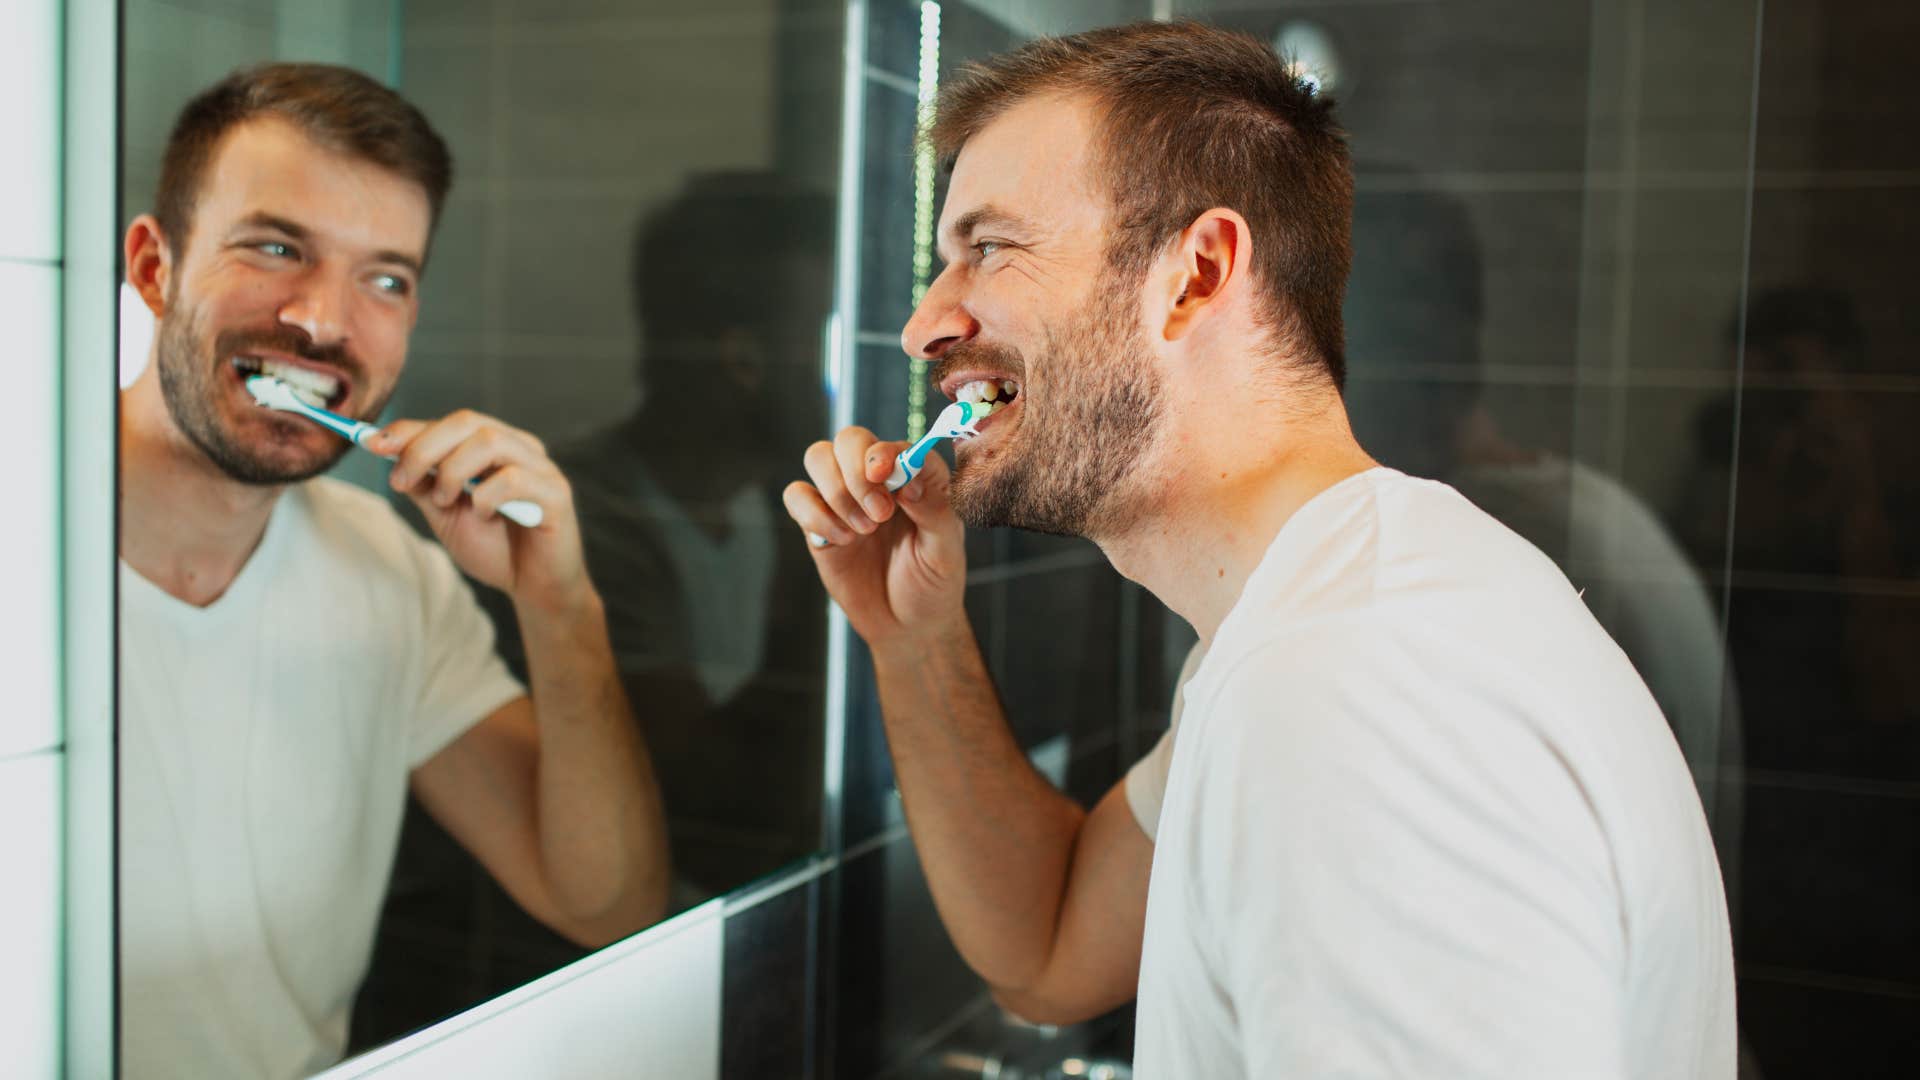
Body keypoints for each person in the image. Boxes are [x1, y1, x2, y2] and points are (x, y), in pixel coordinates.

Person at [784, 21, 1735, 1077]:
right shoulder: (1314, 625)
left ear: (1196, 274)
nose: (922, 325)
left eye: (990, 247)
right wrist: (912, 638)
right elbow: (1048, 950)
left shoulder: (1358, 684)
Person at [116, 63, 668, 1079]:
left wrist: (559, 602)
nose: (325, 323)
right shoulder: (30, 543)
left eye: (386, 278)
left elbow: (607, 903)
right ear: (155, 268)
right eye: (276, 247)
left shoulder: (385, 570)